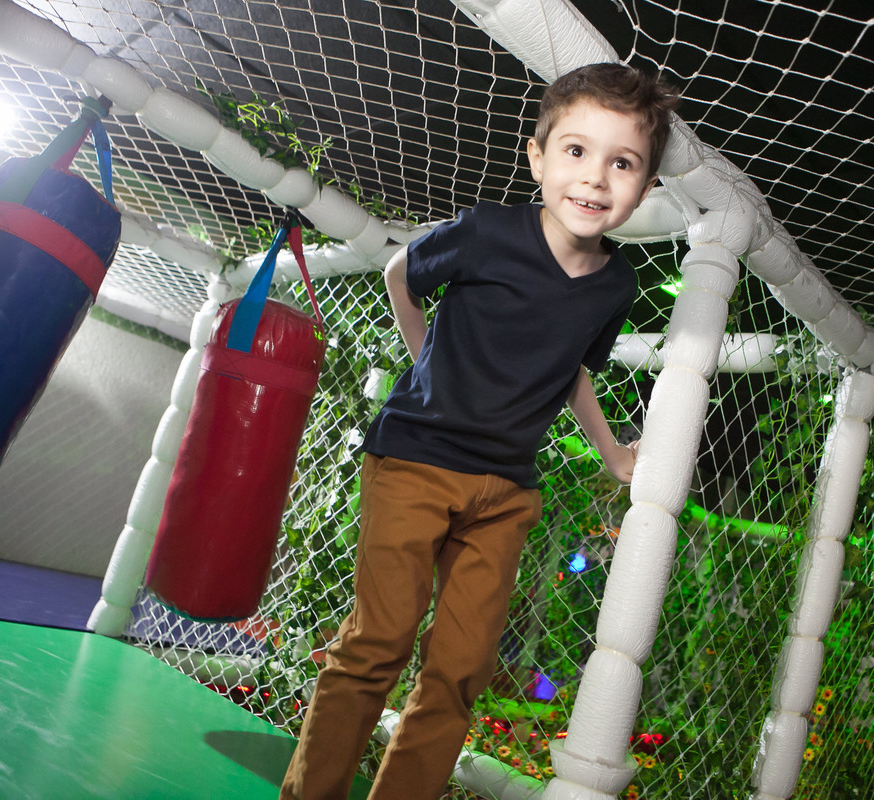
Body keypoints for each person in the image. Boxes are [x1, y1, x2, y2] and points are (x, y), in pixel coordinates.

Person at [279, 62, 680, 800]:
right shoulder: (489, 232)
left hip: (504, 493)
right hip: (414, 462)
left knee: (461, 671)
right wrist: (425, 356)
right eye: (576, 151)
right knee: (378, 644)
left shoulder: (615, 283)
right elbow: (402, 270)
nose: (595, 178)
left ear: (646, 187)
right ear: (537, 156)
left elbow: (573, 373)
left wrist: (614, 451)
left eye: (622, 163)